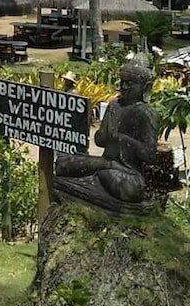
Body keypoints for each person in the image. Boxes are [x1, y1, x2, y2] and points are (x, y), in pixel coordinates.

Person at [54, 55, 158, 204]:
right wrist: (105, 135)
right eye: (123, 82)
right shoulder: (114, 106)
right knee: (63, 163)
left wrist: (122, 138)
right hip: (106, 163)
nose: (124, 87)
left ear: (145, 87)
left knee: (113, 179)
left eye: (130, 83)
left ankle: (95, 178)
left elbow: (150, 155)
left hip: (129, 174)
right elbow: (99, 141)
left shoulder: (147, 113)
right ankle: (98, 175)